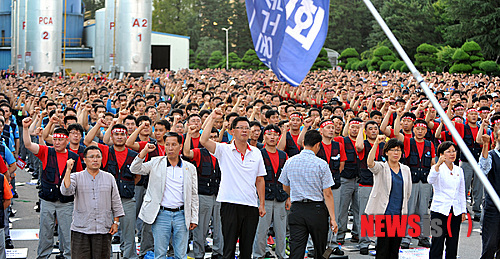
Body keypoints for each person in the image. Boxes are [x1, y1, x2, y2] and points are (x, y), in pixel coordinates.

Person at [200, 108, 266, 259]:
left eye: (247, 128)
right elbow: (203, 141)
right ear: (232, 131)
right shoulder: (224, 149)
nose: (244, 131)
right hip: (229, 204)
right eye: (240, 128)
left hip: (250, 205)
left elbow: (260, 179)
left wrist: (261, 203)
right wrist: (212, 118)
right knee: (228, 248)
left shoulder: (256, 152)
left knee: (246, 248)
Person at [130, 132, 199, 259]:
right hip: (161, 214)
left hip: (182, 215)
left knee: (181, 255)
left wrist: (194, 217)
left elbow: (194, 194)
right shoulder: (155, 162)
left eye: (174, 144)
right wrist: (144, 151)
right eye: (167, 144)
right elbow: (134, 169)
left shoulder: (189, 168)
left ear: (180, 146)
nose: (170, 148)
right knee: (160, 254)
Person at [22, 117, 82, 259]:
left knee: (67, 234)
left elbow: (79, 180)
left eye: (60, 140)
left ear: (67, 141)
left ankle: (68, 256)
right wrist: (25, 128)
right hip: (47, 201)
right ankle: (43, 256)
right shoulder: (46, 152)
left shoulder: (74, 157)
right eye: (54, 139)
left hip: (67, 202)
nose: (56, 142)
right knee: (45, 232)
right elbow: (28, 144)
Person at [278, 130, 338, 259]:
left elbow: (284, 186)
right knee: (320, 248)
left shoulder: (290, 161)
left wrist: (292, 194)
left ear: (303, 143)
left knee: (296, 248)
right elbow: (327, 193)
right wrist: (332, 217)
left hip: (297, 209)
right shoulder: (321, 164)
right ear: (318, 145)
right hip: (316, 210)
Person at [84, 119, 138, 259]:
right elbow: (87, 141)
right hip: (107, 200)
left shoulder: (133, 155)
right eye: (116, 134)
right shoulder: (105, 151)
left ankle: (128, 257)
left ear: (127, 136)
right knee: (105, 232)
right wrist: (98, 125)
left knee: (129, 233)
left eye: (122, 134)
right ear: (111, 137)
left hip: (127, 199)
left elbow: (137, 176)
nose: (119, 137)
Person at [60, 146, 125, 259]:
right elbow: (66, 191)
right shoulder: (76, 176)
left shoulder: (109, 177)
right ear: (84, 160)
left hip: (103, 228)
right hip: (81, 228)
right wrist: (68, 170)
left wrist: (116, 222)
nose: (95, 160)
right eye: (91, 157)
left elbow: (116, 201)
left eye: (98, 157)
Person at [366, 137, 412, 259]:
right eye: (393, 150)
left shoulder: (406, 169)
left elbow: (408, 192)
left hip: (399, 214)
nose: (396, 153)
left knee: (394, 249)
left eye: (398, 150)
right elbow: (370, 163)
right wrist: (376, 143)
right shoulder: (381, 167)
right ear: (386, 152)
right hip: (384, 213)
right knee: (382, 249)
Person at [183, 125, 223, 259]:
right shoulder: (200, 152)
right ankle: (198, 254)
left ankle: (218, 253)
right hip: (203, 194)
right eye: (210, 137)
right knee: (200, 228)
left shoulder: (222, 152)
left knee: (220, 227)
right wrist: (188, 134)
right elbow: (186, 153)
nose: (212, 139)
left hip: (219, 194)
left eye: (215, 137)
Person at [252, 125, 289, 259]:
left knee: (281, 230)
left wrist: (288, 197)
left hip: (280, 196)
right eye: (269, 135)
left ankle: (281, 255)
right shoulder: (258, 153)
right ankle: (259, 255)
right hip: (263, 197)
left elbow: (286, 177)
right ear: (264, 137)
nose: (272, 138)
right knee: (261, 230)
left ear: (279, 137)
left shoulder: (283, 155)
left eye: (275, 135)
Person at [427, 141, 466, 259]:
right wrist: (438, 165)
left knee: (452, 243)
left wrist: (463, 210)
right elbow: (430, 180)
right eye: (448, 152)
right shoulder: (437, 168)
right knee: (437, 242)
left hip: (455, 211)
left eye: (453, 151)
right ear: (441, 154)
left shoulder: (459, 170)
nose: (452, 154)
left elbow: (461, 191)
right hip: (439, 210)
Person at [478, 132, 500, 259]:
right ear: (496, 138)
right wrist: (485, 145)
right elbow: (483, 169)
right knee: (490, 243)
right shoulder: (491, 155)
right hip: (493, 205)